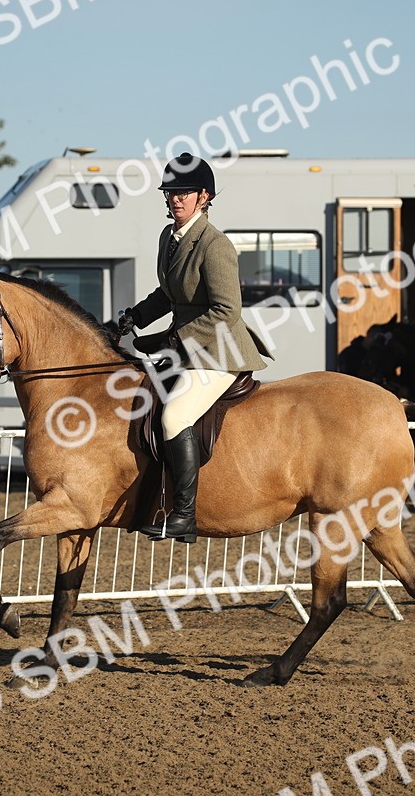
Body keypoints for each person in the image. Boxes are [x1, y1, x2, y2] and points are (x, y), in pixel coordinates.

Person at [117, 153, 272, 543]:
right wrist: (134, 317)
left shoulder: (215, 244)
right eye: (171, 192)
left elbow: (226, 310)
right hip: (185, 348)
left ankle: (184, 516)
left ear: (204, 196)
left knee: (173, 418)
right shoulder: (168, 238)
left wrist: (173, 340)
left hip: (219, 352)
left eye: (184, 192)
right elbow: (168, 294)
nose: (176, 198)